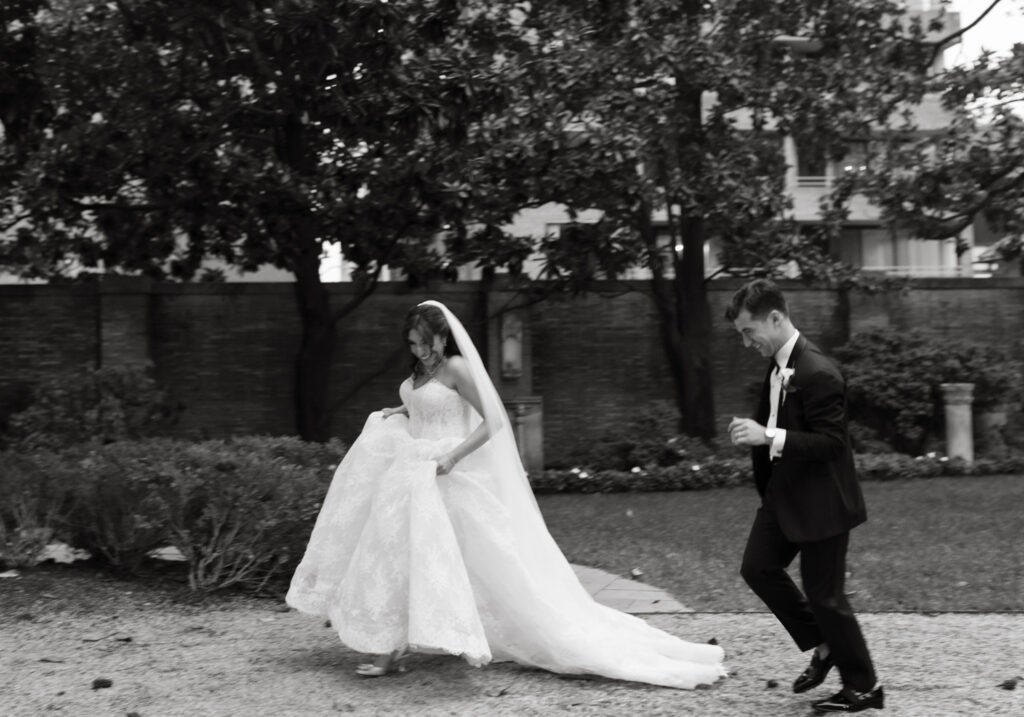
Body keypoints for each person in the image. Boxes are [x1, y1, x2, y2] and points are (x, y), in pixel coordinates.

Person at [287, 300, 726, 688]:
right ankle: (391, 646)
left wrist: (453, 457)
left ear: (442, 335)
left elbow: (494, 420)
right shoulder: (421, 371)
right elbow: (425, 404)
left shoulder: (457, 368)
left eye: (424, 342)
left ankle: (540, 632)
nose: (419, 350)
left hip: (445, 473)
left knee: (487, 564)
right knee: (398, 555)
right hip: (410, 473)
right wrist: (399, 410)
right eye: (412, 344)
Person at [725, 279, 883, 713]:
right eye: (741, 334)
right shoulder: (779, 366)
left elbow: (832, 443)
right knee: (757, 568)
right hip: (784, 495)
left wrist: (768, 435)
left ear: (775, 318)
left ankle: (865, 688)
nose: (745, 342)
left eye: (748, 331)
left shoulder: (818, 371)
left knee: (826, 596)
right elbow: (779, 425)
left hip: (823, 502)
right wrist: (757, 435)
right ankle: (825, 644)